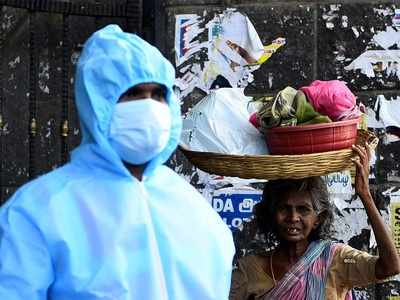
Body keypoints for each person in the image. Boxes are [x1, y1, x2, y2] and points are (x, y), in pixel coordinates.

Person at [0, 24, 234, 299]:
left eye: (158, 94)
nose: (149, 107)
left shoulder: (194, 209)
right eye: (133, 94)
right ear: (96, 103)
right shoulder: (37, 212)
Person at [229, 143, 400, 300]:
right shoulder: (249, 269)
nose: (293, 217)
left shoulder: (336, 259)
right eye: (284, 208)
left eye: (303, 209)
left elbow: (390, 267)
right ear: (271, 215)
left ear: (318, 219)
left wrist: (365, 194)